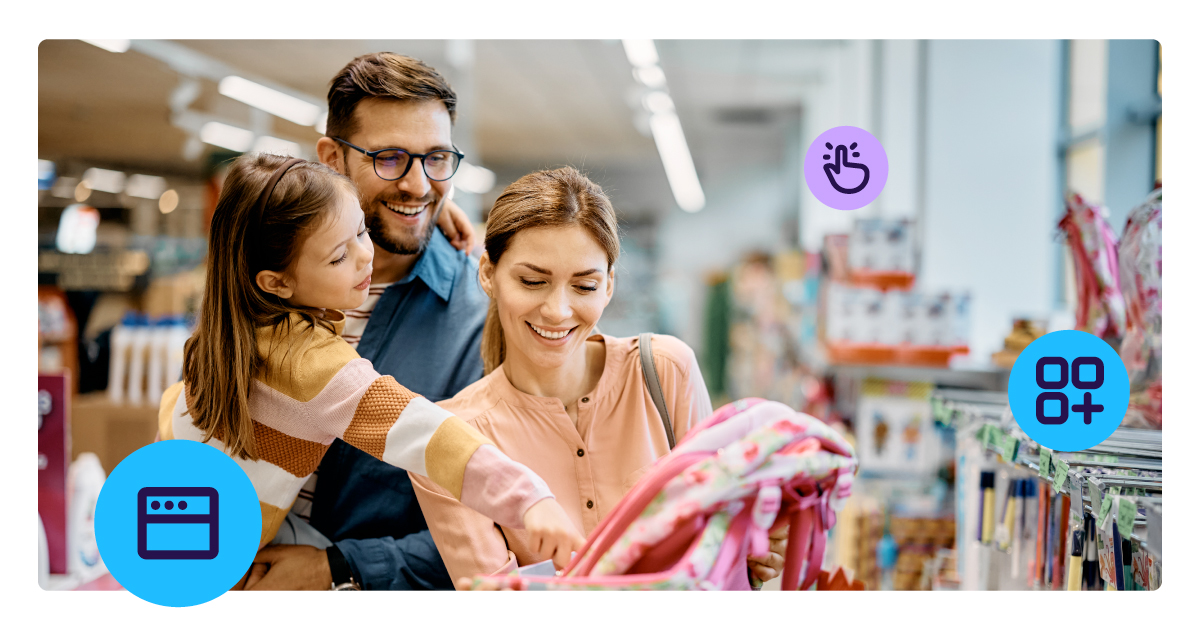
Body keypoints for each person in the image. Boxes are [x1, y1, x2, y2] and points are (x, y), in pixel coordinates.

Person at [156, 153, 584, 588]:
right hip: (207, 560)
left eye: (361, 228)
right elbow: (428, 434)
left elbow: (286, 208)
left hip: (164, 522)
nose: (366, 256)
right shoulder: (310, 366)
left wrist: (431, 215)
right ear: (277, 282)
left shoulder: (226, 329)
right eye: (340, 255)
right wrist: (530, 499)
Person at [409, 167, 788, 589]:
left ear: (609, 285)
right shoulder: (450, 441)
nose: (557, 310)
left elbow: (721, 547)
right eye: (532, 281)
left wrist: (747, 554)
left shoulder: (665, 372)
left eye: (584, 286)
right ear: (487, 273)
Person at [243, 53, 491, 591]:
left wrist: (340, 567)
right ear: (332, 158)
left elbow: (497, 522)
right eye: (390, 158)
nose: (419, 185)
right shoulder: (265, 283)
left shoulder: (481, 321)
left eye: (436, 158)